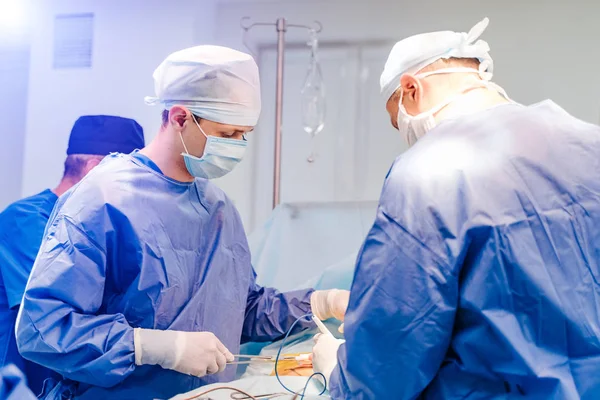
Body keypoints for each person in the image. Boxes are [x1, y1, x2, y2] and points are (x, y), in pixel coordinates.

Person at [16, 45, 349, 399]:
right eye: (227, 134)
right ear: (179, 118)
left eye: (244, 134)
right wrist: (154, 346)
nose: (239, 145)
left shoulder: (218, 208)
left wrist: (319, 303)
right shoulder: (103, 198)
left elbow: (241, 310)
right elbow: (43, 327)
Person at [312, 17, 600, 399]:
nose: (404, 134)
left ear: (410, 88)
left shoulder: (426, 173)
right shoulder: (588, 142)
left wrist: (337, 372)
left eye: (396, 121)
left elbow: (388, 357)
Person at [0, 115, 145, 395]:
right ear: (95, 168)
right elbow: (59, 311)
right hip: (23, 386)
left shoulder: (100, 227)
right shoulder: (25, 221)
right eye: (130, 177)